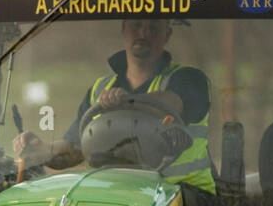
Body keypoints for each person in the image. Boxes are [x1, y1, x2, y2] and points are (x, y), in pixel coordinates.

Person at [12, 18, 216, 193]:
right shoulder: (100, 88)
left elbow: (172, 102)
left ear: (167, 34)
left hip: (185, 195)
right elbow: (74, 147)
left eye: (153, 27)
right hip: (118, 195)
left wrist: (127, 102)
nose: (144, 32)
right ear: (124, 28)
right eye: (136, 25)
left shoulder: (190, 79)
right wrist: (43, 151)